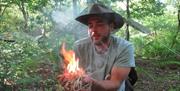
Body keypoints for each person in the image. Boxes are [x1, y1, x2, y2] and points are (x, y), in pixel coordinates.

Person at [59, 4, 136, 91]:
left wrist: (91, 83)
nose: (93, 30)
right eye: (90, 26)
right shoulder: (79, 47)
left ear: (111, 27)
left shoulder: (124, 48)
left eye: (99, 24)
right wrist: (70, 81)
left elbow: (115, 83)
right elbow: (75, 76)